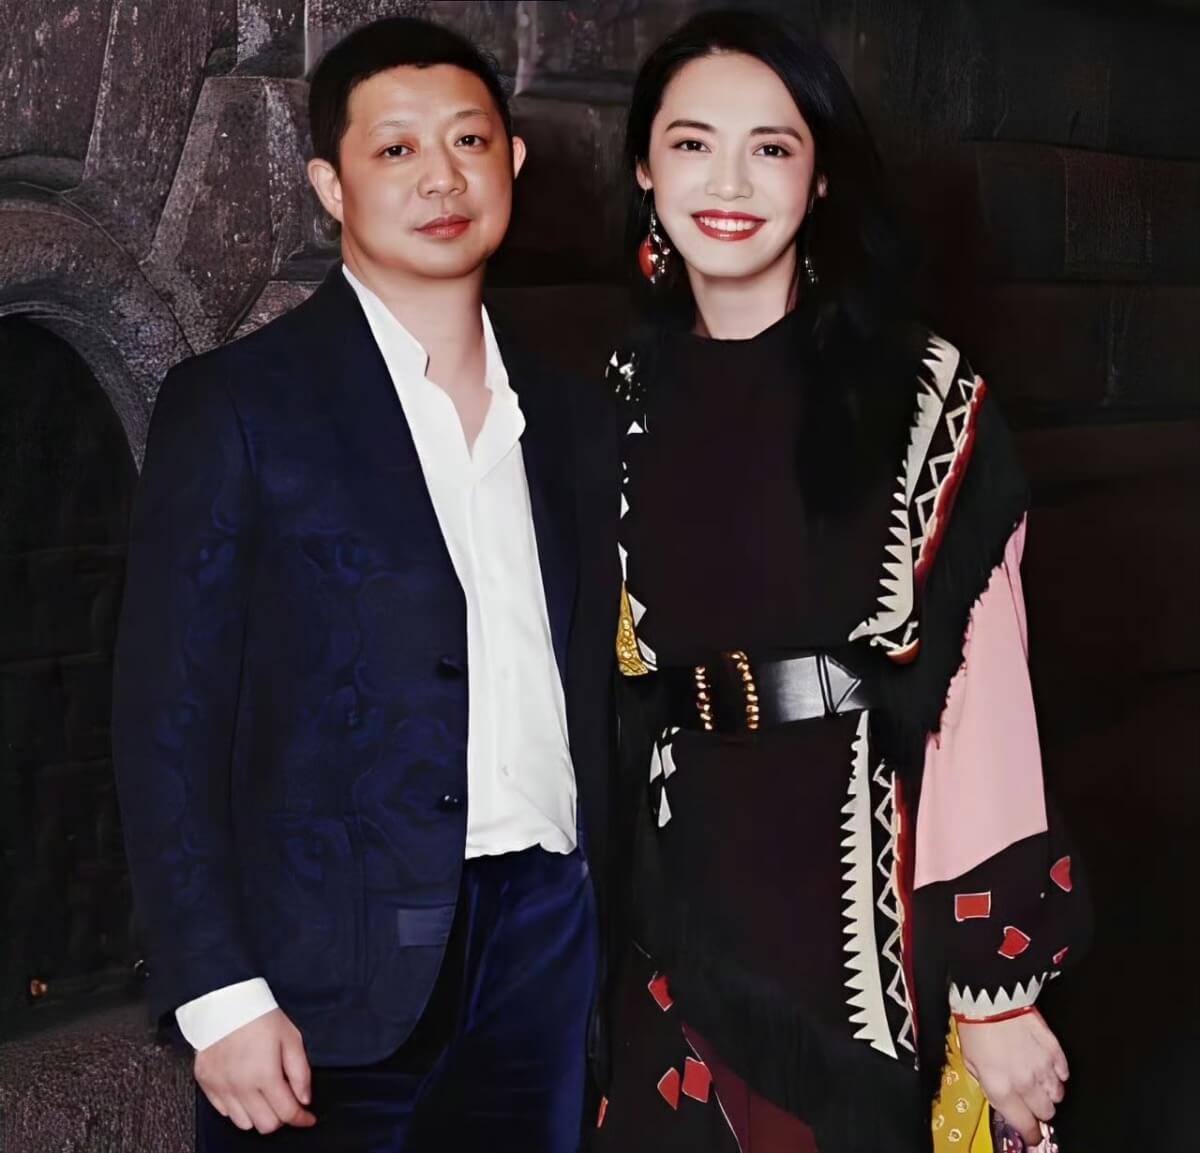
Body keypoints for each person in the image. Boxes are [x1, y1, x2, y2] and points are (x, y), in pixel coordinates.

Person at [112, 16, 618, 1153]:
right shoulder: (238, 406)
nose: (441, 177)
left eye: (469, 141)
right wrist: (215, 988)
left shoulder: (574, 415)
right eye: (396, 149)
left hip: (545, 946)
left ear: (512, 162)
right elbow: (165, 719)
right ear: (330, 186)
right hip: (316, 975)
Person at [591, 10, 1089, 1153]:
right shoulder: (616, 392)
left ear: (818, 177)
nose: (729, 182)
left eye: (770, 147)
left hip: (861, 898)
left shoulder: (920, 390)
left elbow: (981, 697)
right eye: (692, 143)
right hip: (673, 896)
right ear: (645, 168)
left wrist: (995, 989)